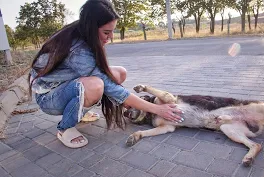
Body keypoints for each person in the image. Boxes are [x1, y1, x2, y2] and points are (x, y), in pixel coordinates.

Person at [29, 0, 183, 148]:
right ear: (91, 28)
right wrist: (156, 109)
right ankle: (64, 128)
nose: (111, 37)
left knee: (120, 73)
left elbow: (109, 79)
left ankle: (78, 112)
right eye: (106, 32)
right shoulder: (77, 49)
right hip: (48, 97)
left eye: (112, 31)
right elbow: (109, 86)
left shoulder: (82, 32)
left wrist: (129, 101)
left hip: (64, 86)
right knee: (95, 85)